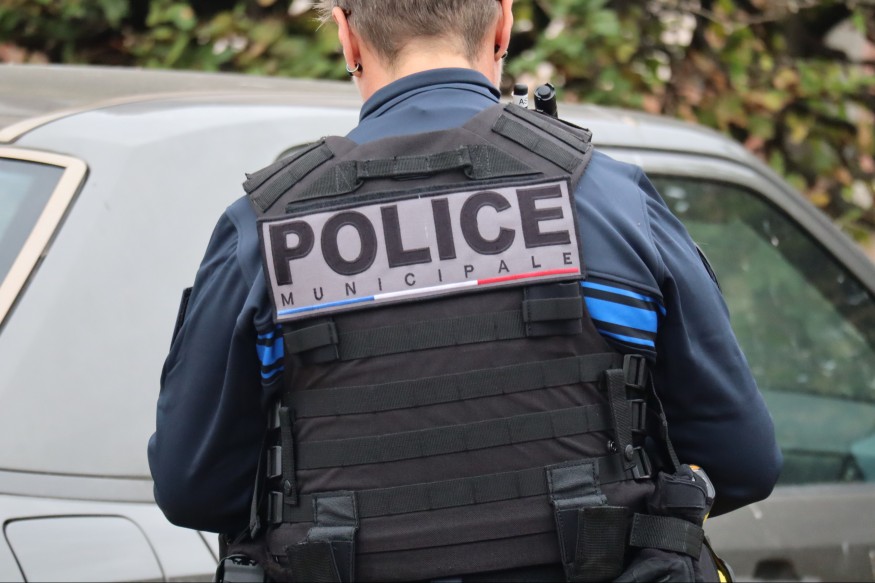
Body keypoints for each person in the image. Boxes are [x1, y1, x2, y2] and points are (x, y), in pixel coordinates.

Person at [148, 1, 782, 581]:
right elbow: (742, 462)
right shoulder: (610, 200)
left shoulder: (264, 229)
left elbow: (194, 489)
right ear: (503, 24)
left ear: (347, 37)